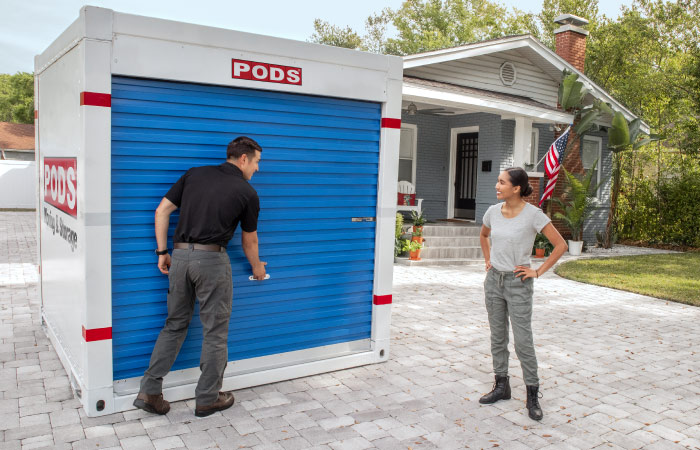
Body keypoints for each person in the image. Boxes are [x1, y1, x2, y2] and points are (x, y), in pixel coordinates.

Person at [133, 136, 267, 417]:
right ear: (243, 159)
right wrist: (257, 267)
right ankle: (207, 398)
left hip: (180, 257)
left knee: (174, 325)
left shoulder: (195, 174)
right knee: (215, 332)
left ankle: (150, 391)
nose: (257, 169)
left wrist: (162, 252)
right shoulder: (247, 192)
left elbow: (161, 211)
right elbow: (249, 242)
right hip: (212, 261)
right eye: (256, 162)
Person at [478, 167, 567, 421]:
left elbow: (560, 245)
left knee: (523, 341)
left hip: (519, 284)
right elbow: (484, 235)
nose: (497, 186)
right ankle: (501, 386)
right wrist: (488, 260)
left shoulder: (533, 215)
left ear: (516, 188)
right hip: (494, 281)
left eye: (501, 182)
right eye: (498, 181)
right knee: (498, 337)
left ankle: (532, 394)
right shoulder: (493, 212)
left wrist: (537, 272)